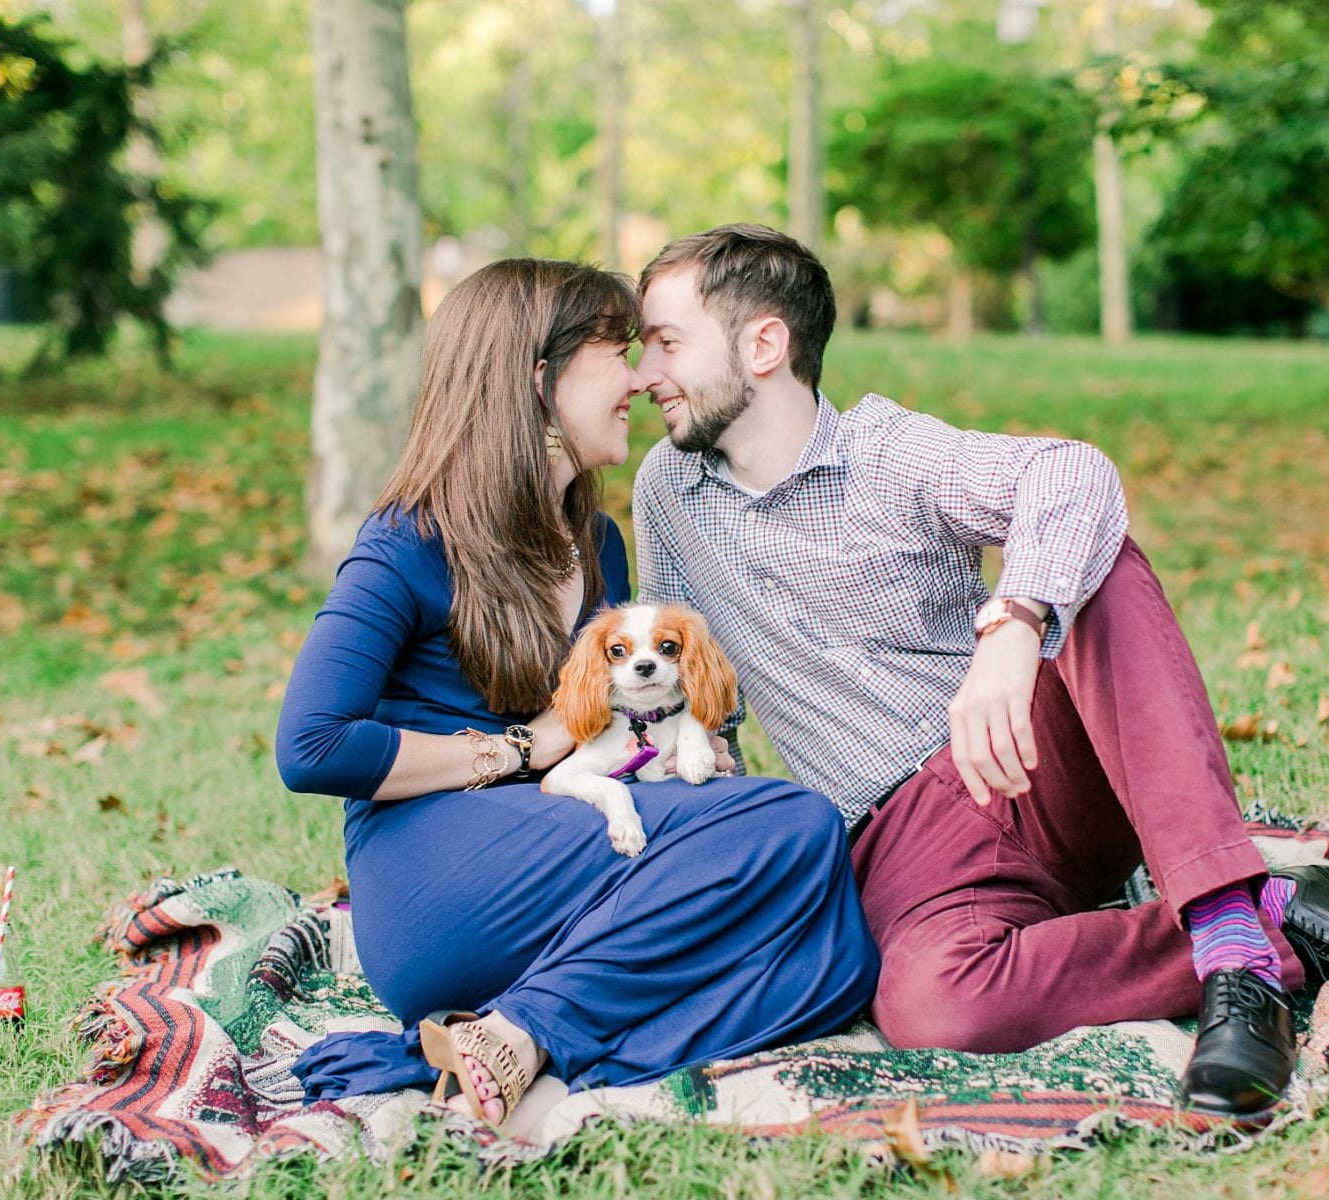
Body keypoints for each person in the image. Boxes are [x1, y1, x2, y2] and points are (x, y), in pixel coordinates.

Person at [628, 224, 1329, 1116]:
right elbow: (691, 703)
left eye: (667, 343)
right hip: (899, 850)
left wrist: (1014, 627)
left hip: (1024, 762)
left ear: (763, 344)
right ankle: (1263, 919)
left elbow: (1073, 474)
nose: (645, 374)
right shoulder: (667, 492)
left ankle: (1236, 966)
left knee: (1096, 564)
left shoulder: (888, 452)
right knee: (929, 1006)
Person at [275, 258, 878, 1126]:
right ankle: (526, 1028)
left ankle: (529, 1054)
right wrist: (520, 748)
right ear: (539, 378)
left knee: (840, 961)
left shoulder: (594, 542)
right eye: (613, 350)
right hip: (439, 875)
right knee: (799, 823)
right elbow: (312, 745)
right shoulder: (408, 542)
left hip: (565, 849)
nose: (639, 377)